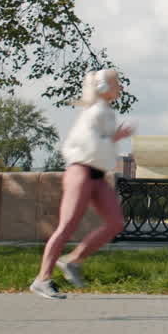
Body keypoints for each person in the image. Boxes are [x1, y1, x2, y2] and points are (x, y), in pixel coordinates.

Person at [30, 68, 135, 300]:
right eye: (116, 83)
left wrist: (114, 138)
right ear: (103, 88)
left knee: (116, 223)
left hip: (97, 173)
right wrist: (114, 138)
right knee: (67, 226)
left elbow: (101, 146)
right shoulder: (93, 112)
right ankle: (42, 279)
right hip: (81, 171)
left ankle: (72, 261)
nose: (120, 87)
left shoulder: (106, 112)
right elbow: (89, 145)